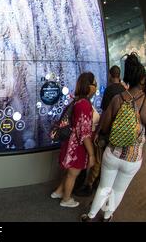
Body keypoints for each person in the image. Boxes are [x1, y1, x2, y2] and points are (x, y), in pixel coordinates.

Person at [81, 53, 146, 222]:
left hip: (113, 152)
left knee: (104, 186)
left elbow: (105, 125)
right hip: (133, 157)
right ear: (142, 80)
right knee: (118, 190)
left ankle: (90, 216)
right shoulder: (145, 101)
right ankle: (107, 216)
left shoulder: (118, 99)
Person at [75, 65, 126, 197]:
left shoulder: (109, 90)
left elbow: (105, 112)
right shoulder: (124, 89)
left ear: (110, 75)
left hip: (106, 130)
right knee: (106, 160)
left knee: (97, 160)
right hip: (117, 131)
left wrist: (98, 131)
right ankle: (100, 183)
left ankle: (89, 186)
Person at [51, 72, 96, 207]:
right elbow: (85, 133)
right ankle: (66, 199)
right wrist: (92, 154)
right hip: (77, 146)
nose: (96, 86)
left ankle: (58, 191)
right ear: (89, 86)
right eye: (94, 83)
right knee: (73, 174)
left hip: (70, 143)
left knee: (69, 171)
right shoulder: (84, 105)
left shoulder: (77, 100)